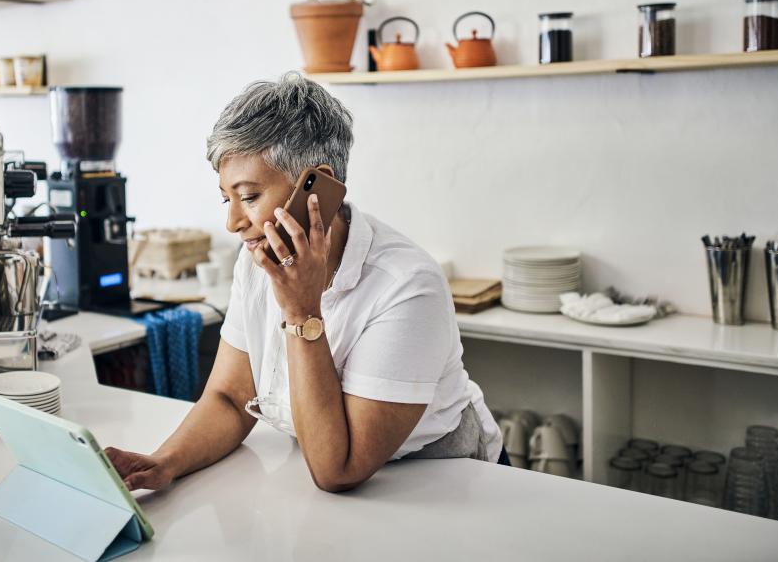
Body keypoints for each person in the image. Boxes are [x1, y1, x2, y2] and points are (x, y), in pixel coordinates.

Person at [106, 73, 504, 493]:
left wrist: (301, 312)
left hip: (446, 484)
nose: (233, 223)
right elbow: (230, 399)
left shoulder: (407, 286)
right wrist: (164, 463)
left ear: (317, 188)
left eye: (250, 196)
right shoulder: (258, 260)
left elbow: (339, 469)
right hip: (333, 479)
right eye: (228, 198)